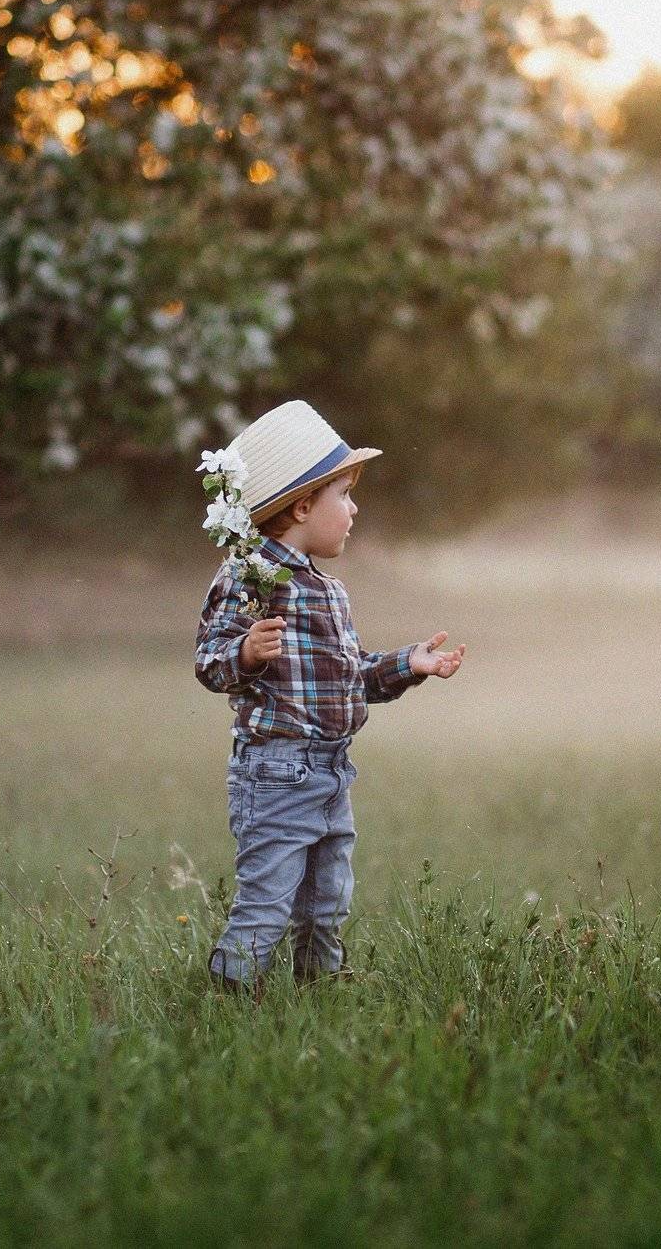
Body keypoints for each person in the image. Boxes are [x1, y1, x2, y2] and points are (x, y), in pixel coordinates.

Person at [195, 399, 464, 994]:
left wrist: (409, 664)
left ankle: (318, 995)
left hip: (332, 771)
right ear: (301, 507)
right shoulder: (248, 578)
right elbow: (209, 663)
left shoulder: (328, 592)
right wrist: (245, 654)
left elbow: (349, 678)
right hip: (277, 772)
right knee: (267, 903)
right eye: (343, 494)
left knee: (326, 903)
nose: (354, 508)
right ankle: (229, 1001)